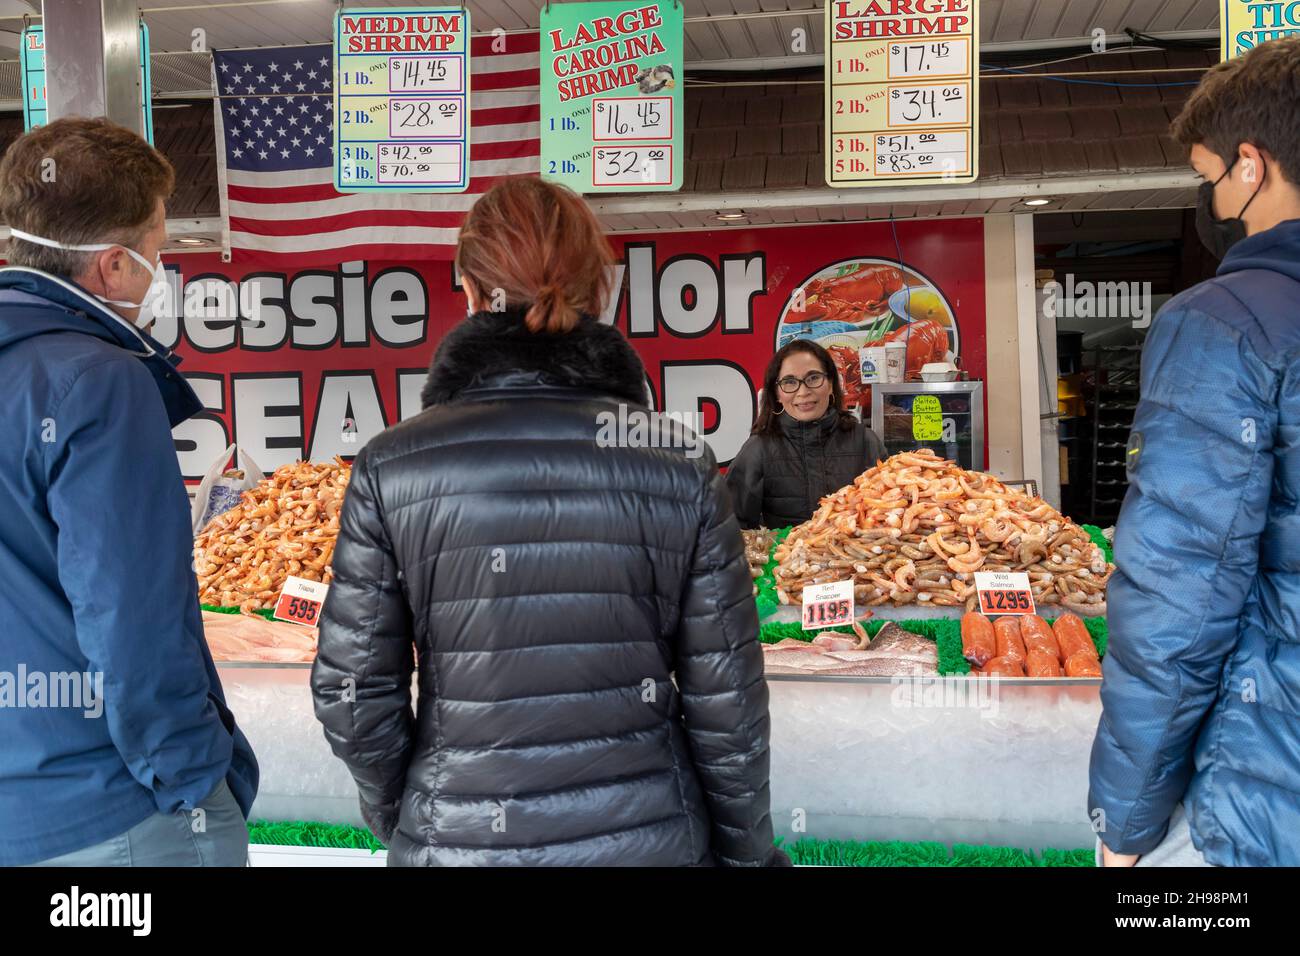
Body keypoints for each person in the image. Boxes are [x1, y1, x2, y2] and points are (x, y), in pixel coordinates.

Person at [311, 177, 787, 867]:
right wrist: (747, 856)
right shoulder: (679, 463)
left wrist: (420, 814)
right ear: (600, 294)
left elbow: (351, 693)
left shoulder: (392, 465)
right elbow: (728, 702)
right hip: (647, 842)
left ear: (469, 294)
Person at [0, 117, 257, 867]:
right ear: (112, 267)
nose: (160, 268)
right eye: (156, 249)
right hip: (115, 812)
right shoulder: (100, 381)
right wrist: (192, 779)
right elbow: (132, 615)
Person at [1088, 37, 1300, 868]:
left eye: (1208, 176)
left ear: (1250, 166)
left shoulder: (1225, 322)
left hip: (1261, 798)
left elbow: (1180, 596)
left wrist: (1125, 822)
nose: (1207, 200)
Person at [726, 339, 887, 529]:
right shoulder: (758, 449)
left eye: (813, 378)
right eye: (790, 382)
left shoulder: (865, 441)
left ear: (830, 383)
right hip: (785, 558)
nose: (803, 392)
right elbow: (729, 527)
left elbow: (889, 513)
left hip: (859, 556)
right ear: (777, 393)